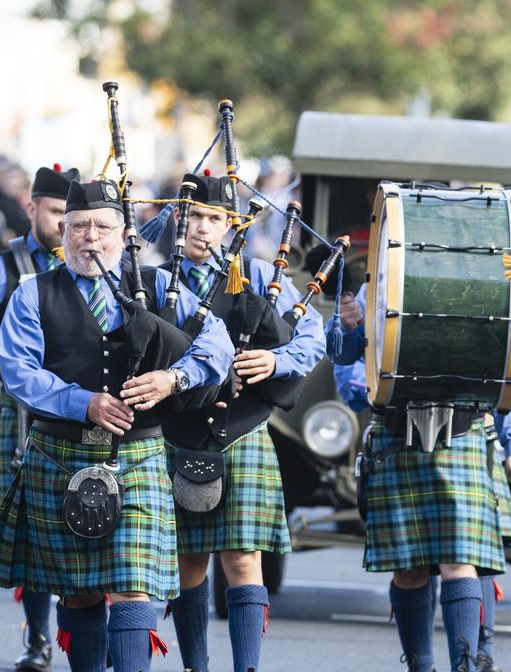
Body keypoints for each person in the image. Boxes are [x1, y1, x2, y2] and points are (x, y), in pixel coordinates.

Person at [0, 178, 234, 672]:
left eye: (103, 227)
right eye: (79, 226)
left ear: (124, 232)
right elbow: (20, 372)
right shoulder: (34, 294)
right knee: (79, 591)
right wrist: (83, 403)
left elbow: (216, 348)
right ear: (63, 233)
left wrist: (173, 379)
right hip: (59, 453)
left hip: (138, 454)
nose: (91, 237)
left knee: (133, 585)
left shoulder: (158, 286)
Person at [161, 172, 326, 672]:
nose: (202, 229)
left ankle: (246, 668)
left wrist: (276, 362)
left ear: (232, 224)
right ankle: (195, 665)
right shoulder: (152, 279)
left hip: (245, 430)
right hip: (178, 432)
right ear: (176, 219)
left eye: (215, 219)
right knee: (188, 561)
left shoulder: (258, 276)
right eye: (193, 217)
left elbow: (311, 339)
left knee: (242, 558)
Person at [332, 275, 511, 672]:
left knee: (461, 559)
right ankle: (420, 667)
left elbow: (510, 373)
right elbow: (345, 370)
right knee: (408, 569)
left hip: (464, 433)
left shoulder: (488, 284)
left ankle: (468, 664)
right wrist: (349, 326)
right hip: (394, 435)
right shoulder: (374, 289)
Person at [0, 163, 76, 672]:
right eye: (56, 213)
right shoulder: (3, 269)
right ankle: (40, 638)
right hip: (21, 416)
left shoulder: (99, 265)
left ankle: (83, 635)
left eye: (75, 215)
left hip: (84, 411)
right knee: (32, 535)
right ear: (31, 208)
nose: (66, 225)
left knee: (88, 525)